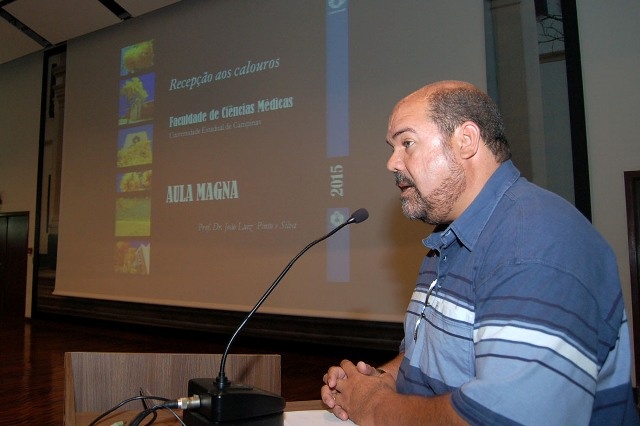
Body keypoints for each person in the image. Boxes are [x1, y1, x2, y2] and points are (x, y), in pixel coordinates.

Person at [321, 80, 639, 425]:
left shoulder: (535, 243)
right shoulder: (448, 239)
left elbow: (505, 418)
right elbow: (429, 359)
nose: (392, 162)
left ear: (466, 141)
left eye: (407, 143)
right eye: (392, 147)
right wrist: (376, 380)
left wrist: (373, 405)